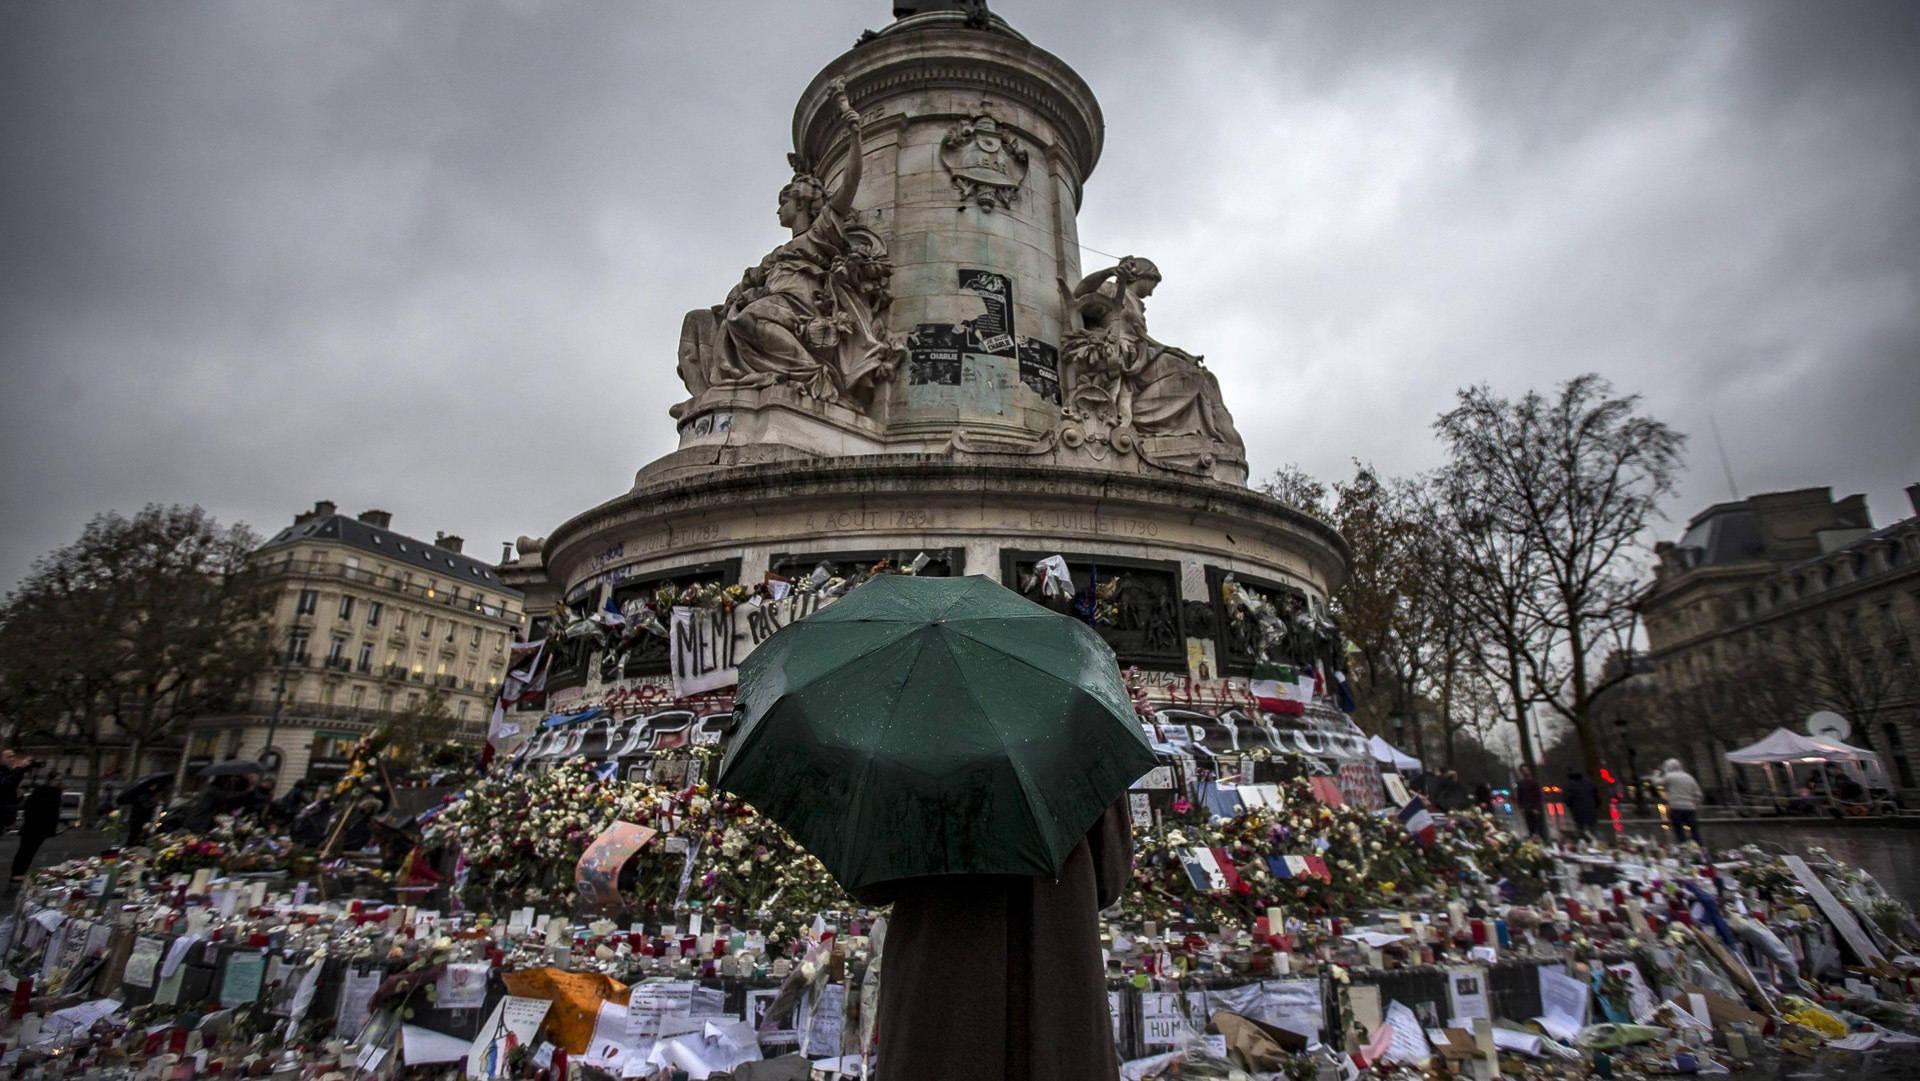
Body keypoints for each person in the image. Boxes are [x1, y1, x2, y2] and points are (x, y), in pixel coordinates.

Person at [850, 798, 1133, 1081]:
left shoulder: (911, 755)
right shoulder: (1079, 755)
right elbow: (1109, 877)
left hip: (937, 980)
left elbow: (870, 882)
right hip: (1054, 969)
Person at [10, 771, 65, 888]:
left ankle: (20, 872)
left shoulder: (55, 792)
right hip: (34, 825)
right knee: (25, 850)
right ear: (50, 780)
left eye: (59, 780)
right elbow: (31, 806)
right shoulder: (43, 791)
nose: (58, 783)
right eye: (56, 780)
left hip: (40, 825)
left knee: (30, 850)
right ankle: (17, 873)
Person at [1656, 758, 1705, 844]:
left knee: (1679, 830)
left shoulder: (1669, 776)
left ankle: (1684, 847)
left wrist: (1656, 773)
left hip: (1676, 807)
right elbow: (1698, 794)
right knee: (1694, 830)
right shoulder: (1689, 777)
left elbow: (1657, 782)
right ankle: (1700, 848)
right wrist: (1696, 805)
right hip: (1690, 808)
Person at [0, 750, 31, 834]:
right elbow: (5, 785)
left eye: (13, 757)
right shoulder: (5, 773)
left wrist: (18, 796)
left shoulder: (9, 772)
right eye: (8, 757)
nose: (12, 759)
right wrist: (19, 768)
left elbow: (8, 795)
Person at [1564, 769, 1601, 838]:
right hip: (1591, 809)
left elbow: (1566, 798)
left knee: (1580, 829)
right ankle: (1600, 842)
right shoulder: (1589, 782)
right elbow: (1596, 795)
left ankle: (1583, 843)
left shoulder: (1569, 784)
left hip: (1577, 810)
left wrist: (1570, 805)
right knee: (1594, 828)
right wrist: (1596, 805)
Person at [1516, 765, 1547, 839]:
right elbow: (1519, 796)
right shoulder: (1520, 784)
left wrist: (1537, 807)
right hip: (1526, 808)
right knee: (1530, 827)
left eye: (1526, 769)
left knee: (1539, 826)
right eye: (1523, 770)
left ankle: (1543, 840)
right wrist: (1521, 808)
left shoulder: (1535, 783)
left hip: (1535, 808)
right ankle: (1533, 841)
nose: (1525, 771)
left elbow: (1538, 796)